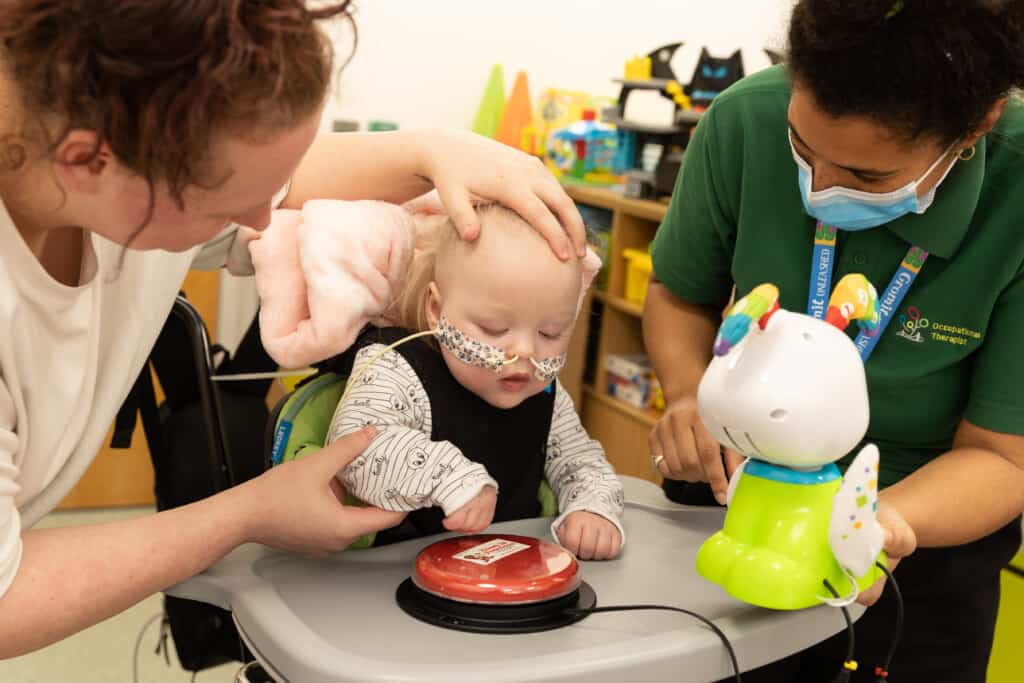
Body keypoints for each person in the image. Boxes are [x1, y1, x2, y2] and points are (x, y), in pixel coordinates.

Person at [0, 0, 587, 659]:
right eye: (228, 202)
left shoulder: (107, 167)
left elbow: (272, 179)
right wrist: (247, 513)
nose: (268, 215)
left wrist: (433, 151)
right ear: (88, 161)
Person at [644, 1, 1024, 680]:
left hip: (921, 536)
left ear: (978, 125)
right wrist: (682, 394)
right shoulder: (744, 120)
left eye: (866, 176)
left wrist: (868, 524)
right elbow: (679, 293)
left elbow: (1003, 458)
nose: (818, 189)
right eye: (801, 149)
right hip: (741, 495)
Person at [324, 205, 624, 560]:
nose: (525, 351)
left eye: (551, 332)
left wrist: (591, 508)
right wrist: (450, 477)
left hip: (514, 569)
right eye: (495, 329)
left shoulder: (542, 389)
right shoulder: (396, 367)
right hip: (385, 573)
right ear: (437, 310)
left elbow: (579, 461)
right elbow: (355, 448)